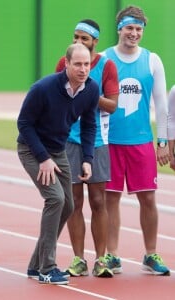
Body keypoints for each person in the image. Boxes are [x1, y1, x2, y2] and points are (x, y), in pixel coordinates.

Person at [17, 43, 99, 285]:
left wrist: (87, 159)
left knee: (68, 205)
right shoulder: (43, 88)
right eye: (78, 64)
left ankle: (35, 265)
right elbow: (24, 124)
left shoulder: (91, 90)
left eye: (87, 64)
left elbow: (89, 125)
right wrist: (43, 159)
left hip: (57, 149)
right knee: (55, 198)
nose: (83, 69)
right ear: (66, 63)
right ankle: (47, 268)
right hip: (32, 149)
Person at [103, 5, 170, 275]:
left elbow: (162, 104)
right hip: (110, 142)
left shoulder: (152, 60)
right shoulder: (103, 59)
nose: (134, 33)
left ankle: (151, 253)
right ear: (120, 28)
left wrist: (162, 141)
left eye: (138, 29)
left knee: (148, 199)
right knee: (110, 199)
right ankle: (112, 255)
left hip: (141, 141)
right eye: (129, 28)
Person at [55, 19, 119, 278]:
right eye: (76, 37)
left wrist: (89, 94)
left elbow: (113, 105)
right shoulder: (64, 62)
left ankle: (101, 259)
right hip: (69, 140)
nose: (79, 42)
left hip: (98, 142)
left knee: (98, 201)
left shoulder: (106, 65)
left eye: (84, 38)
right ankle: (78, 259)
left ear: (95, 42)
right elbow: (56, 96)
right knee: (73, 202)